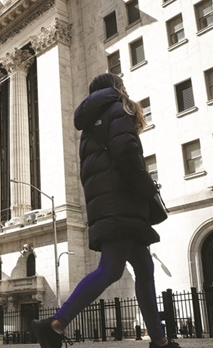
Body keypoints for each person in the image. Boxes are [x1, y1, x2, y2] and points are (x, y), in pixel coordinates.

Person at [32, 73, 180, 348]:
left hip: (111, 203)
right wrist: (148, 188)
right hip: (122, 202)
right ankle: (56, 324)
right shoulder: (119, 108)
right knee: (110, 269)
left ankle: (159, 340)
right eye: (122, 85)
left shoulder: (89, 128)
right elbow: (126, 152)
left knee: (145, 269)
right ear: (116, 88)